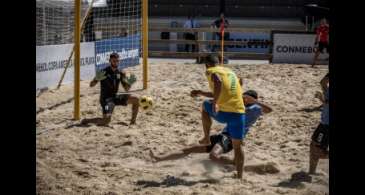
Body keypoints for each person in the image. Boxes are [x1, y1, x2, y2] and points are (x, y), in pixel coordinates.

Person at [150, 90, 273, 176]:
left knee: (213, 156)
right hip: (222, 135)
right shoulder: (237, 104)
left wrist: (255, 101)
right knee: (190, 149)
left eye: (246, 98)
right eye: (243, 97)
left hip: (231, 138)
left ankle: (234, 164)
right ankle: (159, 158)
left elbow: (269, 110)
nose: (243, 99)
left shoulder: (255, 109)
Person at [81, 53, 140, 126]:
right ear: (110, 61)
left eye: (117, 61)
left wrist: (129, 83)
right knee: (106, 121)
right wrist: (96, 79)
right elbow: (91, 85)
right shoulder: (103, 72)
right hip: (106, 100)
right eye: (114, 61)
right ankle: (86, 120)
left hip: (116, 96)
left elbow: (126, 89)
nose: (116, 63)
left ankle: (133, 122)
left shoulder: (121, 73)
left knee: (136, 99)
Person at [309, 73, 329, 174]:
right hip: (325, 123)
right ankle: (311, 172)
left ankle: (311, 172)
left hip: (327, 125)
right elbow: (323, 82)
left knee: (317, 149)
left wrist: (322, 99)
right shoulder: (327, 89)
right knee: (314, 146)